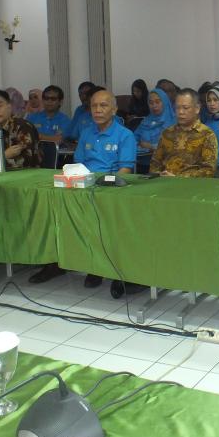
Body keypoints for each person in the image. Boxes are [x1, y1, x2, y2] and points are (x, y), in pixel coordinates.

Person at [75, 88, 138, 291]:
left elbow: (126, 169)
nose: (98, 110)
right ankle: (95, 267)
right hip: (86, 186)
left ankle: (118, 270)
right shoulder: (86, 133)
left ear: (114, 109)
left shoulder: (125, 135)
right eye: (94, 106)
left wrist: (107, 187)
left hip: (113, 188)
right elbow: (79, 163)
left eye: (103, 105)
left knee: (111, 229)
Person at [150, 88, 218, 177]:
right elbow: (155, 164)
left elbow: (209, 170)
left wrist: (178, 178)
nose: (181, 112)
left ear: (197, 108)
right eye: (177, 108)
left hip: (192, 187)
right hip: (164, 183)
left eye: (185, 108)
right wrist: (159, 175)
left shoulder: (207, 134)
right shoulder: (167, 133)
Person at [134, 87, 176, 172]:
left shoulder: (174, 122)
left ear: (164, 102)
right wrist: (139, 146)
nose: (154, 106)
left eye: (157, 102)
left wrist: (151, 146)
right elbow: (133, 139)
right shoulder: (146, 121)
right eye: (151, 102)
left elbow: (175, 146)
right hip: (142, 164)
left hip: (166, 167)